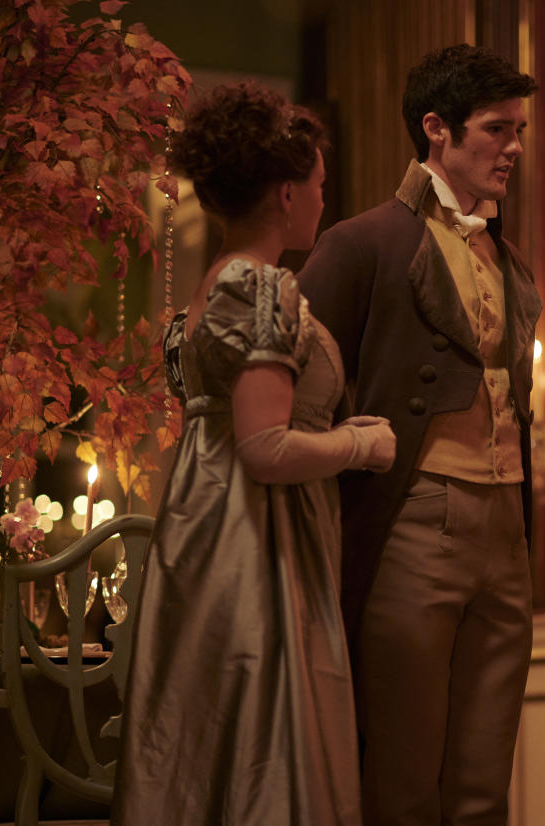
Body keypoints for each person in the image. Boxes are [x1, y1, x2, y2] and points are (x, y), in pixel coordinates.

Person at [112, 83, 395, 826]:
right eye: (318, 185)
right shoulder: (259, 286)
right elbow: (265, 446)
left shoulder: (213, 287)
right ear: (284, 190)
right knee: (265, 739)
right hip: (253, 542)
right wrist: (361, 443)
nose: (322, 201)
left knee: (211, 737)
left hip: (206, 528)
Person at [299, 45, 540, 825]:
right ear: (436, 129)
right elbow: (299, 397)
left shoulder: (509, 259)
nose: (513, 148)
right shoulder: (361, 243)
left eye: (520, 131)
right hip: (413, 519)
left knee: (482, 786)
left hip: (505, 525)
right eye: (497, 129)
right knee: (401, 779)